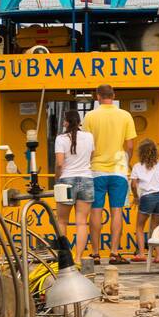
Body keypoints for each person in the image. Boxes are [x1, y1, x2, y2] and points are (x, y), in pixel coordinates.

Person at [83, 84, 136, 265]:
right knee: (117, 212)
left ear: (97, 96)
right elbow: (129, 146)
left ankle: (96, 253)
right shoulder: (125, 115)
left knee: (95, 211)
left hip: (96, 170)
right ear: (114, 95)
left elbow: (87, 146)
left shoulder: (90, 116)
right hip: (119, 171)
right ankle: (114, 253)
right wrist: (125, 161)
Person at [53, 109, 94, 268]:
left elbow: (59, 163)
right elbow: (91, 155)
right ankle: (78, 257)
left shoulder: (61, 139)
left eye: (64, 120)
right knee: (82, 223)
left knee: (62, 221)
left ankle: (65, 256)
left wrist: (57, 178)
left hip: (67, 180)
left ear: (67, 122)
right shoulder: (89, 136)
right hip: (86, 178)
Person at [130, 138, 159, 264]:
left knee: (140, 226)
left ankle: (141, 253)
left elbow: (134, 185)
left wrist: (136, 197)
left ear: (141, 152)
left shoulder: (137, 166)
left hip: (147, 197)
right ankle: (157, 256)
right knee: (156, 227)